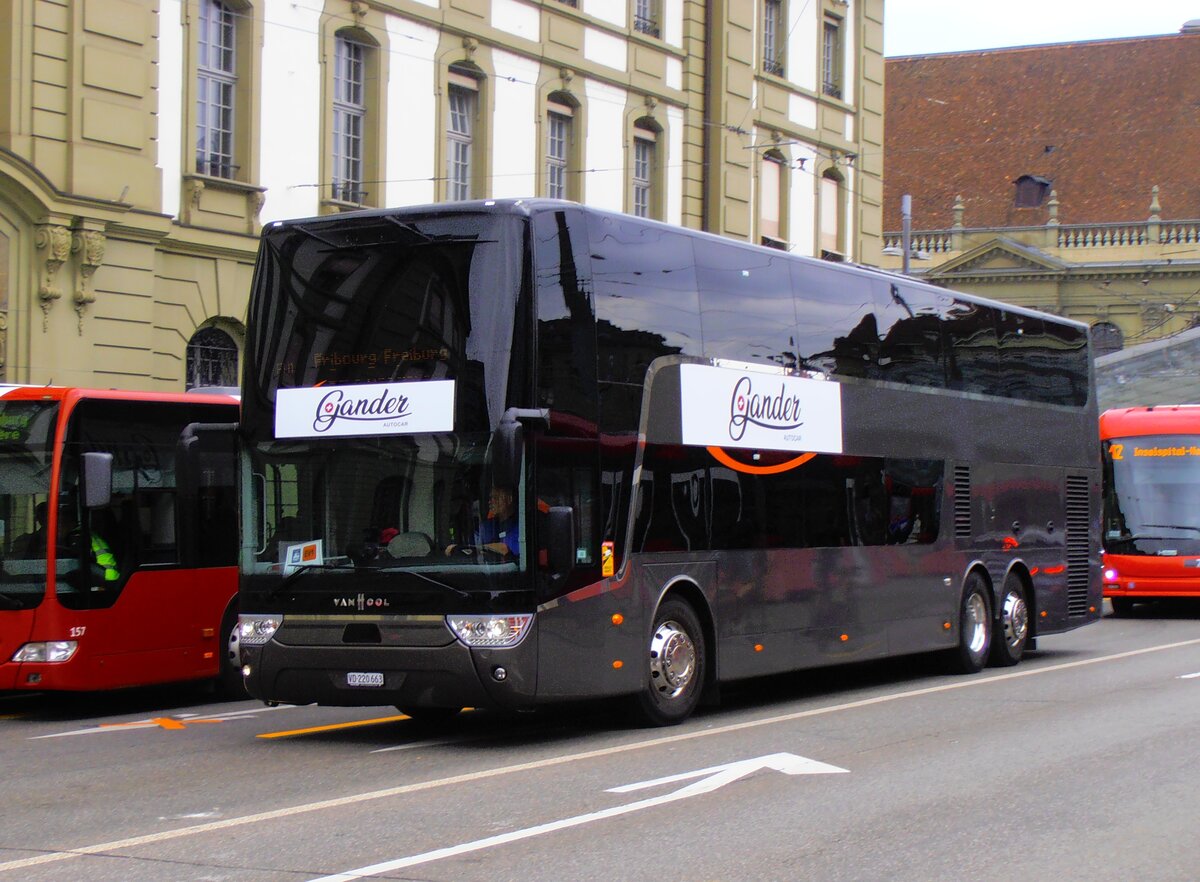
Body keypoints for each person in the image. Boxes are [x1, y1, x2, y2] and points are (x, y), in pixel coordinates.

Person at [447, 485, 520, 558]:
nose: (490, 502)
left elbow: (504, 549)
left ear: (509, 499)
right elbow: (471, 547)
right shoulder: (486, 526)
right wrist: (458, 549)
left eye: (495, 497)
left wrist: (475, 549)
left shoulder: (520, 525)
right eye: (490, 498)